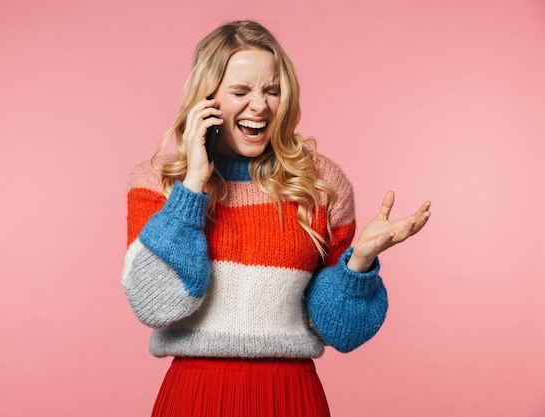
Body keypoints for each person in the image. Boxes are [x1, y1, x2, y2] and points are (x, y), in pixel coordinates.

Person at [122, 20, 431, 417]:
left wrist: (360, 261)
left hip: (290, 397)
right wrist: (194, 186)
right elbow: (155, 304)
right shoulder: (158, 181)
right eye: (240, 91)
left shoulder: (319, 184)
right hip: (195, 396)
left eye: (271, 90)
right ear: (207, 98)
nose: (260, 105)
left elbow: (341, 331)